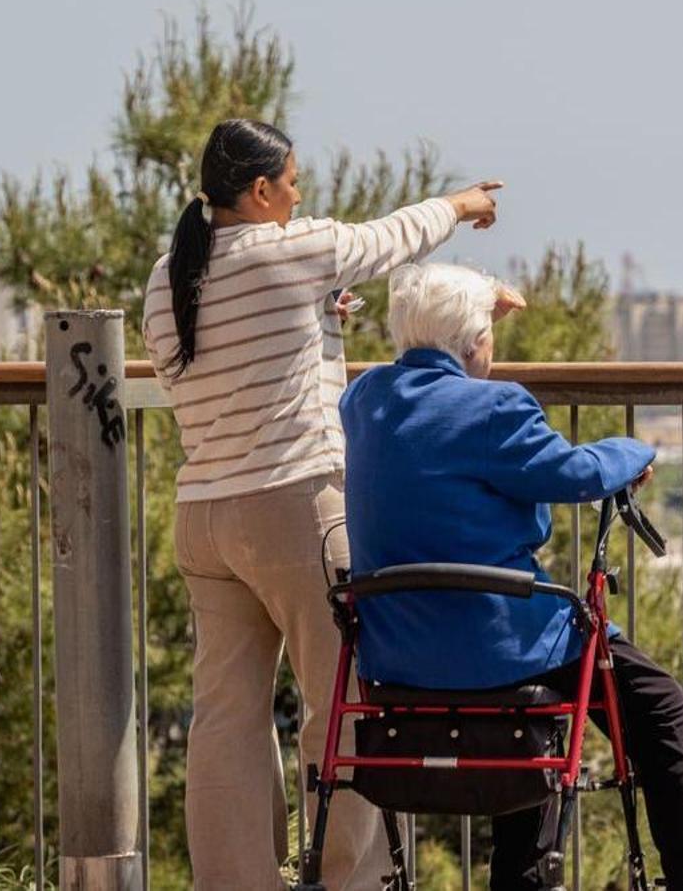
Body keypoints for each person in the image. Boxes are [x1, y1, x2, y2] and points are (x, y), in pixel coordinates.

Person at [141, 117, 508, 890]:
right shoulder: (289, 249)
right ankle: (353, 878)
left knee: (226, 719)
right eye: (294, 181)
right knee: (341, 703)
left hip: (204, 515)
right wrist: (460, 203)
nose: (301, 194)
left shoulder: (171, 271)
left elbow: (240, 371)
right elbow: (388, 239)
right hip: (294, 508)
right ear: (262, 188)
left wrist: (320, 327)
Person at [339, 263, 683, 890]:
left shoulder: (363, 400)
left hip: (396, 652)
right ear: (472, 343)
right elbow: (576, 474)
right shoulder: (496, 407)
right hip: (498, 647)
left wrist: (473, 303)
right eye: (487, 331)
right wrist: (633, 450)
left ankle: (526, 875)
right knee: (658, 704)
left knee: (530, 714)